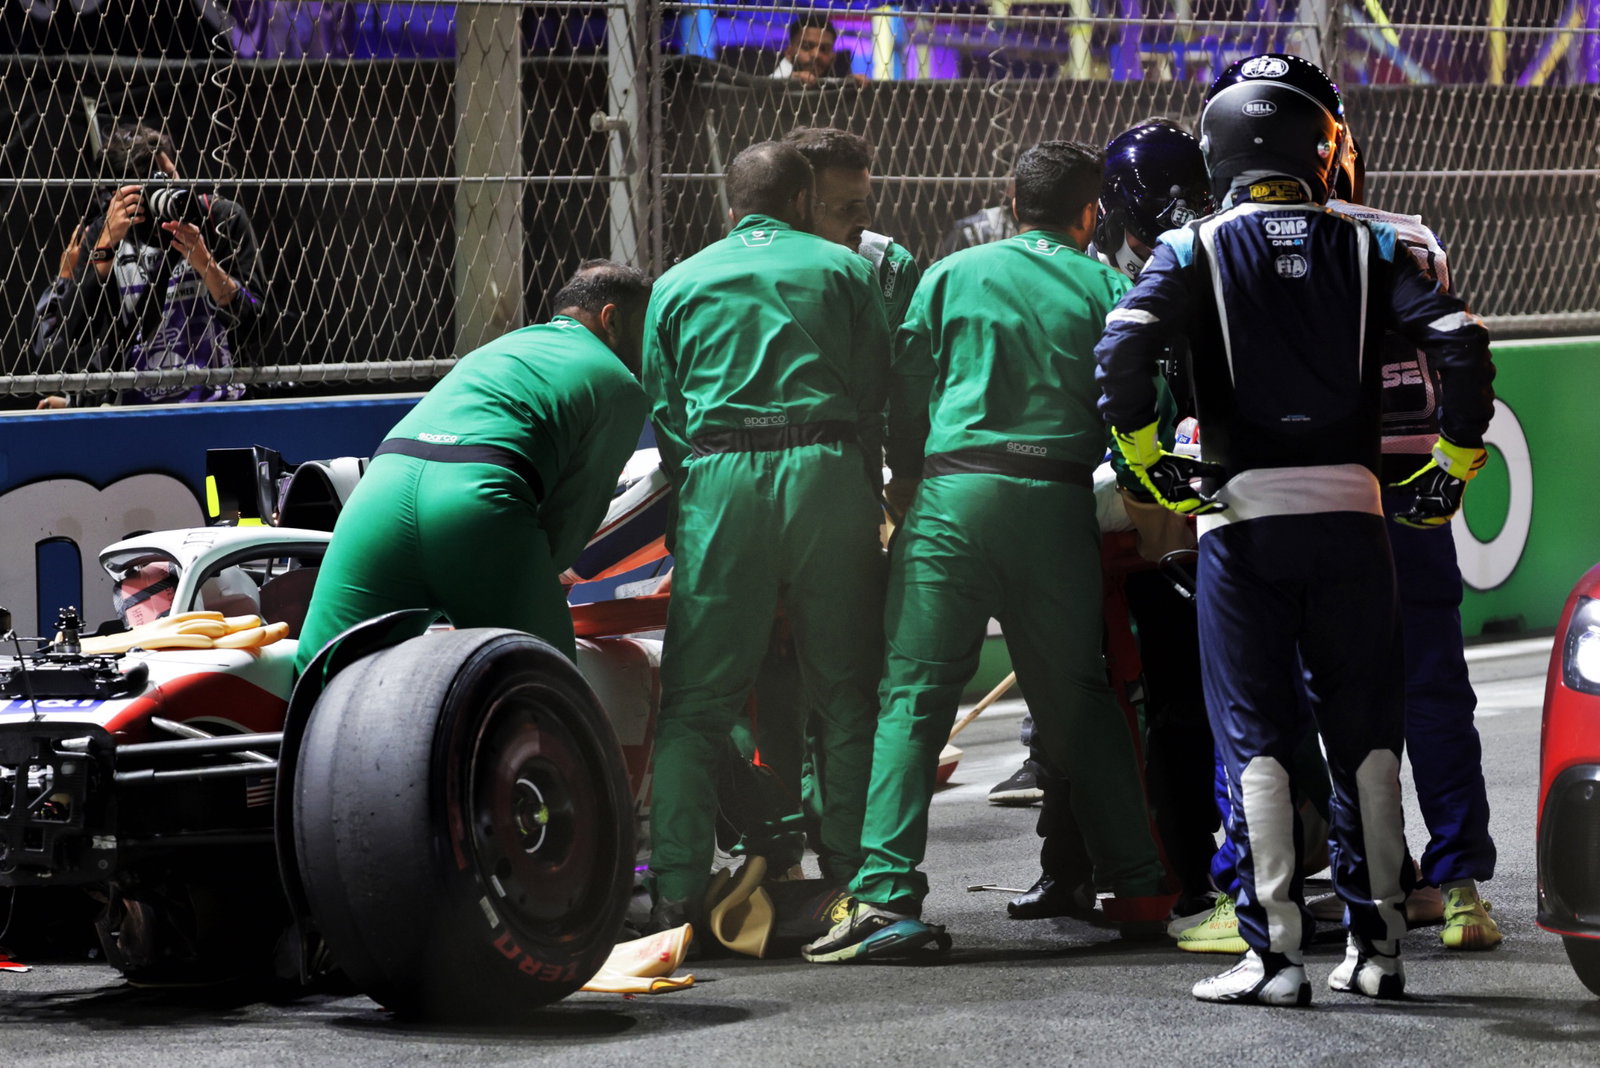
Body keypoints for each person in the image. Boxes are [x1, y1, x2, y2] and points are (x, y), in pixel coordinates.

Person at [1096, 53, 1495, 1006]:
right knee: (1369, 738)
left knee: (1257, 739)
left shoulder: (1191, 246)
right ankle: (1379, 949)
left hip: (1244, 522)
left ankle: (1273, 957)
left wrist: (1147, 456)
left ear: (1220, 142)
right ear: (1323, 144)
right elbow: (1460, 343)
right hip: (1358, 518)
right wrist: (1453, 465)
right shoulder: (1374, 242)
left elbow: (1124, 348)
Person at [803, 141, 1172, 964]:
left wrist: (905, 476)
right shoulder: (1109, 284)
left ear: (1009, 197)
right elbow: (1141, 396)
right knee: (1081, 699)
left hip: (954, 497)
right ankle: (1141, 885)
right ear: (1091, 213)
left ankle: (886, 897)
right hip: (1057, 505)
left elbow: (906, 389)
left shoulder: (949, 274)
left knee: (913, 699)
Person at [642, 141, 891, 930]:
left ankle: (675, 895)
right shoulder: (846, 271)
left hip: (721, 480)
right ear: (800, 200)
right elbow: (872, 392)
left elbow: (668, 412)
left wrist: (705, 490)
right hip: (825, 470)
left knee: (694, 705)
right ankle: (855, 882)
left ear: (730, 205)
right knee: (847, 693)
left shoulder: (676, 283)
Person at [1006, 120, 1219, 922]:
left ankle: (1188, 866)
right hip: (1130, 504)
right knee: (1080, 691)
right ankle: (1072, 865)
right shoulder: (1094, 279)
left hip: (1172, 509)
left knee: (1167, 694)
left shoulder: (1197, 261)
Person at [293, 260, 652, 674]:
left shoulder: (497, 348)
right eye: (646, 328)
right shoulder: (620, 385)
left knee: (321, 680)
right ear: (611, 319)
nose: (650, 347)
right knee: (541, 696)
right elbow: (568, 530)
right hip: (478, 504)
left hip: (379, 494)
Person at [1326, 138, 1501, 950]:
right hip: (1410, 481)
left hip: (1310, 490)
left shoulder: (1233, 237)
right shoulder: (1410, 234)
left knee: (1319, 694)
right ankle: (1459, 886)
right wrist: (1455, 457)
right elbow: (1455, 346)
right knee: (1433, 685)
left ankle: (1372, 881)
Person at [42, 123, 266, 408]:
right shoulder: (105, 233)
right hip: (137, 411)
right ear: (123, 195)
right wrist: (103, 251)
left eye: (172, 176)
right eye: (155, 185)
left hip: (221, 404)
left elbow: (257, 324)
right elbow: (73, 336)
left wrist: (206, 264)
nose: (171, 191)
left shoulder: (220, 219)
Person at [770, 14, 866, 86]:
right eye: (806, 47)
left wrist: (849, 87)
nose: (816, 55)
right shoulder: (766, 87)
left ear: (833, 57)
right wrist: (787, 83)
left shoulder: (835, 86)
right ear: (789, 52)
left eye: (824, 49)